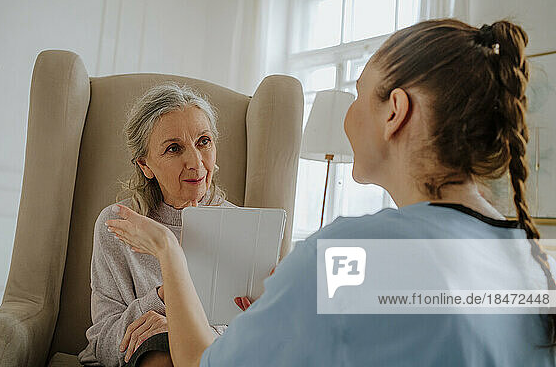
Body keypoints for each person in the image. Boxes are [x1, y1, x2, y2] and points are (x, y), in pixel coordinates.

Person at [107, 19, 556, 366]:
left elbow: (203, 362)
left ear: (394, 112)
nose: (347, 117)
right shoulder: (535, 262)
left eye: (357, 95)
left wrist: (169, 250)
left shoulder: (347, 256)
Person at [78, 83, 247, 367]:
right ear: (145, 165)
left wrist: (180, 330)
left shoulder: (241, 228)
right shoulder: (117, 225)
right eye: (173, 148)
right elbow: (104, 345)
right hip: (141, 360)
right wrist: (163, 297)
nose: (195, 162)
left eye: (203, 141)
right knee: (159, 353)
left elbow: (249, 343)